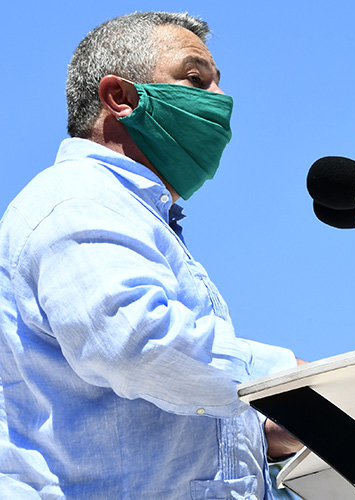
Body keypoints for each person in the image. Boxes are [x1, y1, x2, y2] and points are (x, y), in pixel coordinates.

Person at [0, 11, 304, 499]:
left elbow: (144, 407)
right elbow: (135, 344)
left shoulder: (130, 214)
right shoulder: (79, 198)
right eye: (195, 79)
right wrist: (285, 380)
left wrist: (262, 432)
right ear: (120, 98)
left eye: (218, 84)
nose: (221, 100)